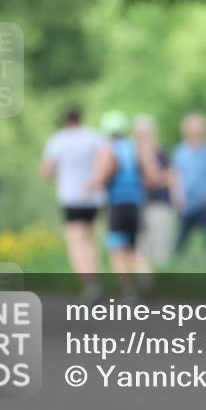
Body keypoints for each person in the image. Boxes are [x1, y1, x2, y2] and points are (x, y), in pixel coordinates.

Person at [86, 111, 164, 299]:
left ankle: (128, 290)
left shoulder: (108, 150)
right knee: (135, 248)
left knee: (117, 251)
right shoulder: (135, 148)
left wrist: (90, 186)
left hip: (117, 206)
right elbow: (152, 177)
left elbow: (102, 176)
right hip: (136, 204)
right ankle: (145, 278)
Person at [41, 106, 105, 301]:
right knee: (90, 238)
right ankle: (95, 278)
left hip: (71, 197)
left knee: (75, 242)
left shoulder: (58, 140)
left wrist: (57, 178)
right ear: (81, 118)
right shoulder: (94, 137)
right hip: (93, 196)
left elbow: (47, 171)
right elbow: (105, 162)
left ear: (65, 120)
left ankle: (88, 284)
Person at [172, 112, 206, 255]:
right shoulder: (180, 151)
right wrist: (177, 196)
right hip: (186, 202)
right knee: (181, 241)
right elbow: (176, 176)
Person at [133, 114, 176, 269]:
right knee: (142, 247)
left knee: (161, 247)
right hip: (140, 204)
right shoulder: (134, 152)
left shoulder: (161, 152)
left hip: (161, 204)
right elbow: (151, 179)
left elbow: (171, 177)